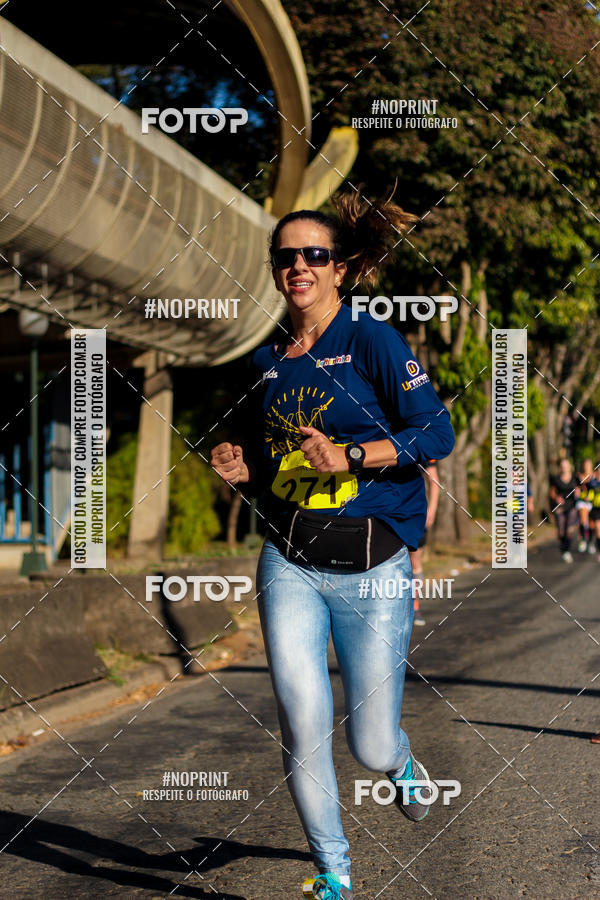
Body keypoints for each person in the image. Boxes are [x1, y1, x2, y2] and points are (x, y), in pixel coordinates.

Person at [210, 190, 455, 900]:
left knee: (369, 744)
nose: (298, 267)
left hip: (373, 564)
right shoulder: (266, 360)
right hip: (289, 558)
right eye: (285, 257)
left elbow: (433, 434)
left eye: (313, 255)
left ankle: (402, 762)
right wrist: (239, 467)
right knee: (302, 716)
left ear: (341, 268)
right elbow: (266, 460)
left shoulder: (372, 339)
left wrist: (351, 457)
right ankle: (334, 872)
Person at [408, 460, 439, 626]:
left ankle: (414, 607)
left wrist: (431, 511)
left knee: (414, 561)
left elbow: (433, 480)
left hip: (415, 514)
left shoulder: (419, 443)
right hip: (388, 512)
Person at [549, 458, 579, 563]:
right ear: (560, 468)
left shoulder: (575, 478)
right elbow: (552, 492)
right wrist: (557, 497)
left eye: (566, 465)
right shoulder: (556, 479)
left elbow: (581, 487)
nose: (564, 468)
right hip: (560, 507)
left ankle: (567, 550)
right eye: (562, 466)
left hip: (572, 506)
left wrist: (578, 492)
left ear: (569, 467)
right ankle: (563, 548)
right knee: (561, 531)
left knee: (569, 529)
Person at [575, 457, 595, 553]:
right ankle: (583, 539)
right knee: (583, 521)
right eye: (585, 465)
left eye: (589, 465)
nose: (587, 467)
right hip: (582, 501)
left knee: (592, 524)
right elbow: (576, 488)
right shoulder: (579, 476)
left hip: (593, 502)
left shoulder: (595, 476)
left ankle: (590, 542)